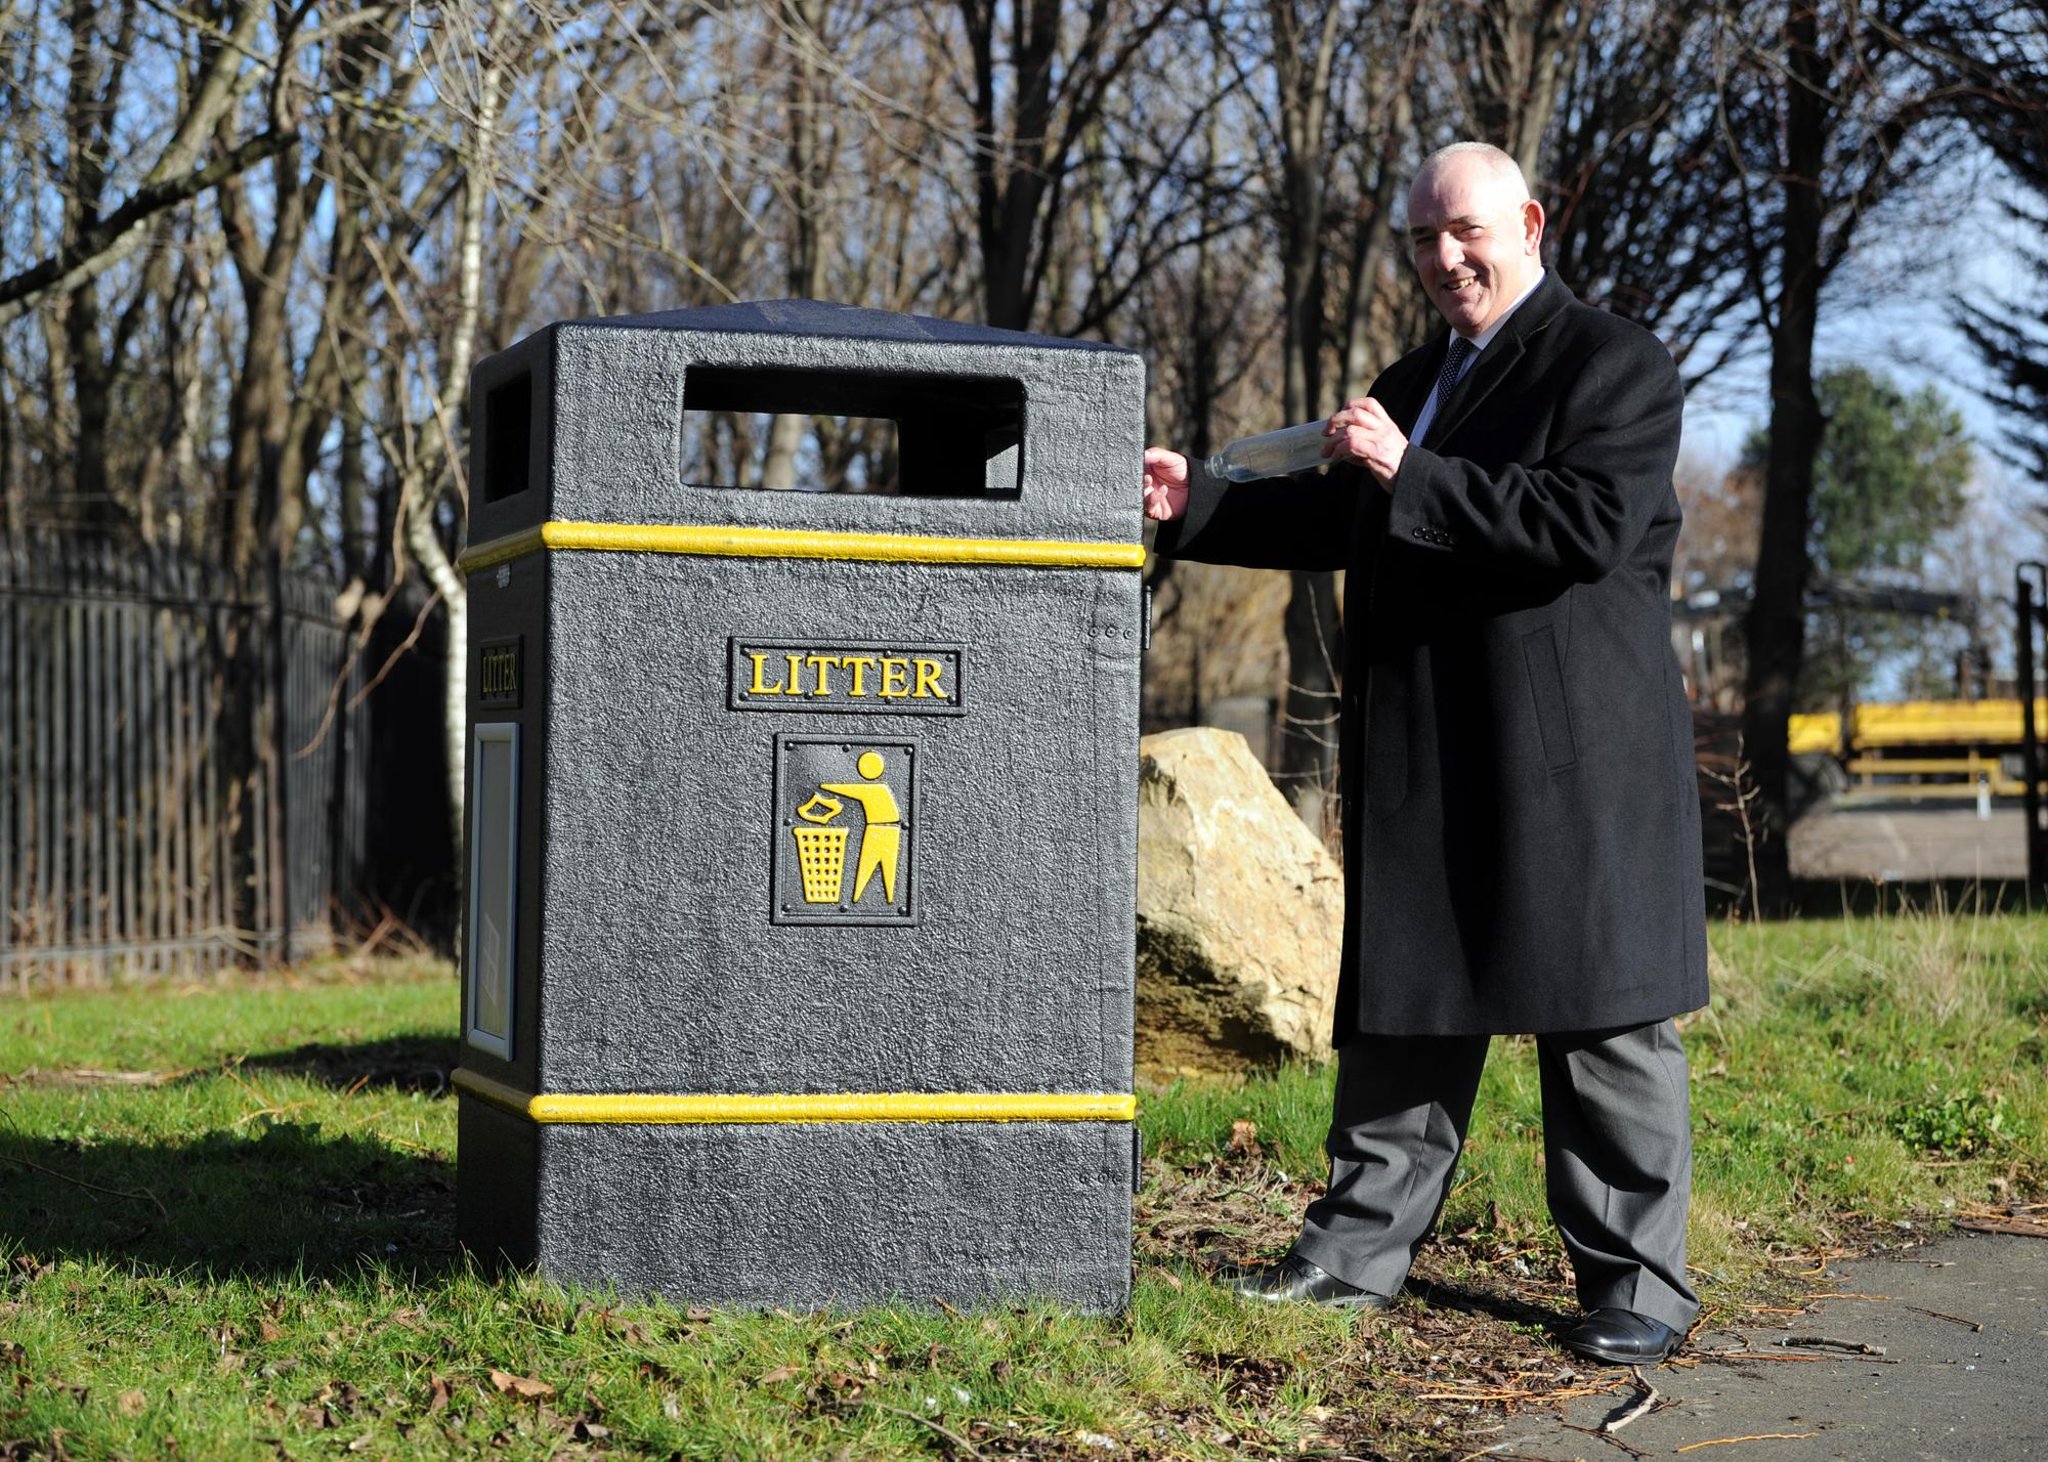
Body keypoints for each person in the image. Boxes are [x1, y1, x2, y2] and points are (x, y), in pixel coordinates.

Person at [1141, 141, 1708, 1367]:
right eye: (1419, 238)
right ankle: (1349, 1255)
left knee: (1604, 1022)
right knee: (1406, 1006)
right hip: (1430, 752)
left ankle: (1637, 1288)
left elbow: (1588, 524)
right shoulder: (1418, 375)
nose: (1442, 257)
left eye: (1464, 231)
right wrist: (1192, 506)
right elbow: (1345, 514)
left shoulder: (1613, 361)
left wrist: (1415, 468)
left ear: (1528, 223)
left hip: (1573, 763)